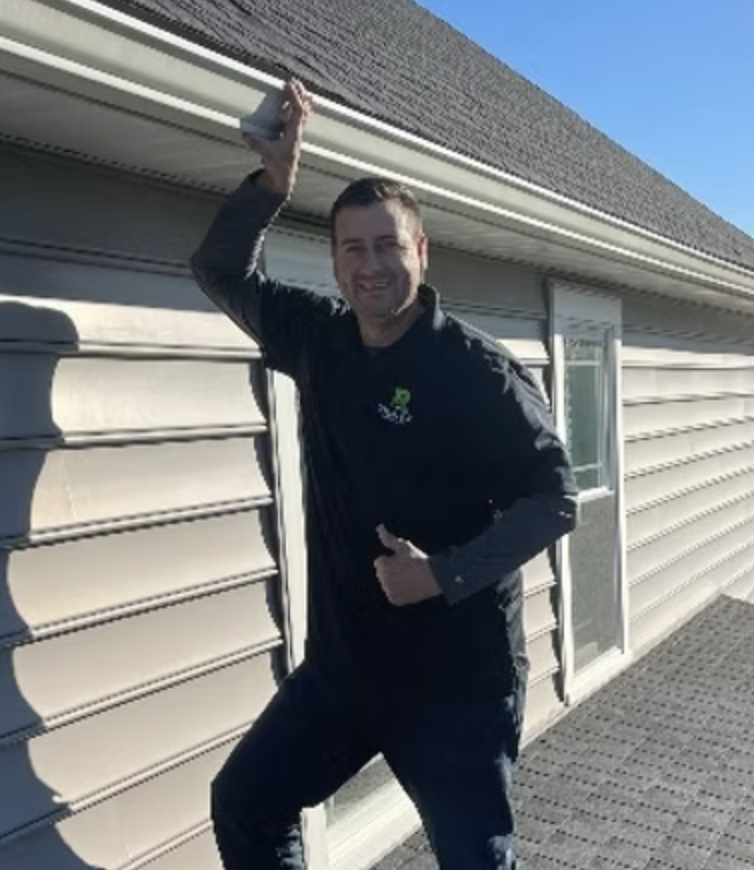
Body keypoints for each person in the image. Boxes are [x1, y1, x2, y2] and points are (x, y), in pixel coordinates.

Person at [191, 79, 577, 870]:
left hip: (456, 683)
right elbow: (220, 269)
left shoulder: (476, 373)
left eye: (387, 245)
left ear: (420, 252)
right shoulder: (320, 340)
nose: (371, 265)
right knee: (246, 802)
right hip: (348, 669)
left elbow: (554, 497)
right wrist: (271, 186)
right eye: (353, 248)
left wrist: (443, 573)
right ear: (335, 261)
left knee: (475, 860)